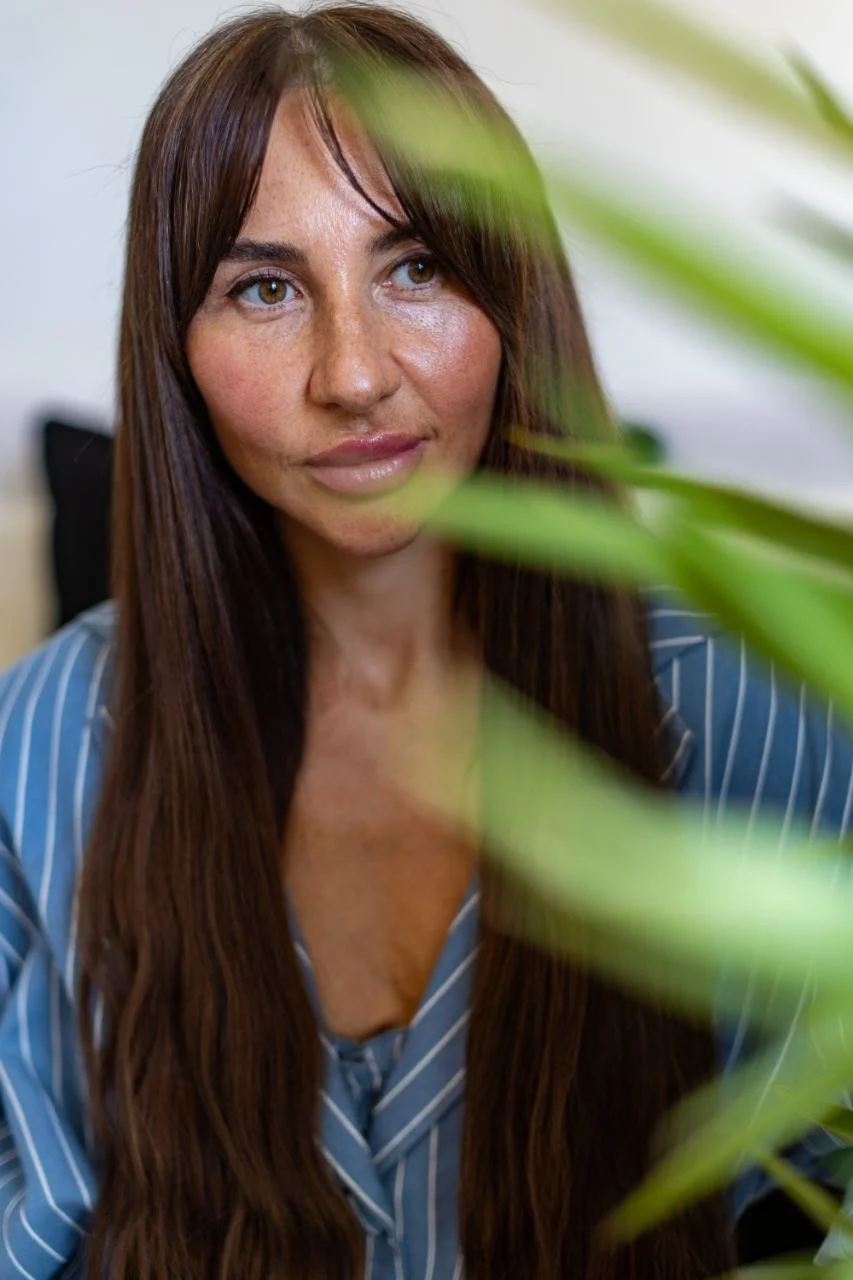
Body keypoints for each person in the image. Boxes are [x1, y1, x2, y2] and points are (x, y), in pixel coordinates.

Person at [0, 5, 851, 1278]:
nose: (354, 373)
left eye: (416, 268)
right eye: (266, 286)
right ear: (178, 349)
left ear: (511, 295)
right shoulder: (45, 738)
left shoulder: (764, 725)